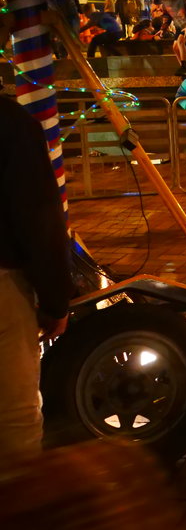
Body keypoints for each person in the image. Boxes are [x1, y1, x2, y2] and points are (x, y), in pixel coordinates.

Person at [0, 96, 74, 461]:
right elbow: (38, 220)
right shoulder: (10, 123)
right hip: (3, 283)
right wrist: (55, 301)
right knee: (13, 419)